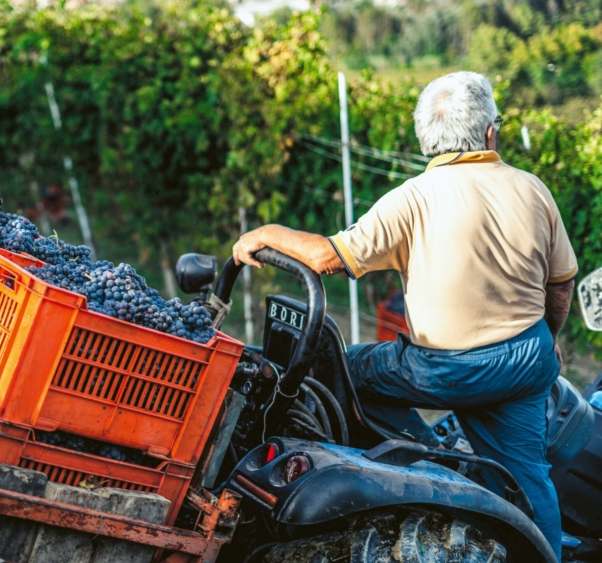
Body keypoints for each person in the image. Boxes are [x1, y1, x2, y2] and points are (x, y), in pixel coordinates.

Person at [232, 71, 576, 559]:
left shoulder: (413, 198)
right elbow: (560, 285)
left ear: (425, 140)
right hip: (524, 362)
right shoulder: (533, 189)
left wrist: (266, 233)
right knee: (529, 476)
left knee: (346, 369)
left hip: (444, 372)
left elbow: (331, 257)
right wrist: (548, 338)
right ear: (489, 133)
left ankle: (412, 462)